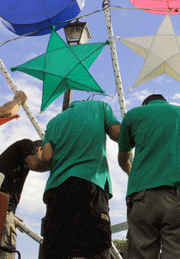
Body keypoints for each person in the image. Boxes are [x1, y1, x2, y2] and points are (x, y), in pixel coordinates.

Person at [117, 94, 180, 259]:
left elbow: (123, 158)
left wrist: (131, 172)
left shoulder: (133, 115)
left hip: (141, 195)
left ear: (145, 105)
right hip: (178, 194)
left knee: (140, 251)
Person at [41, 100, 121, 259]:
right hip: (88, 182)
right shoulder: (100, 106)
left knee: (56, 251)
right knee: (89, 250)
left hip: (56, 190)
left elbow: (46, 157)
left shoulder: (54, 122)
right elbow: (116, 133)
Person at [0, 139, 49, 259]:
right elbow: (35, 164)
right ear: (39, 149)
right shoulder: (27, 143)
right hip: (0, 207)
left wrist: (12, 213)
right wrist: (58, 163)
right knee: (5, 253)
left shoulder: (17, 161)